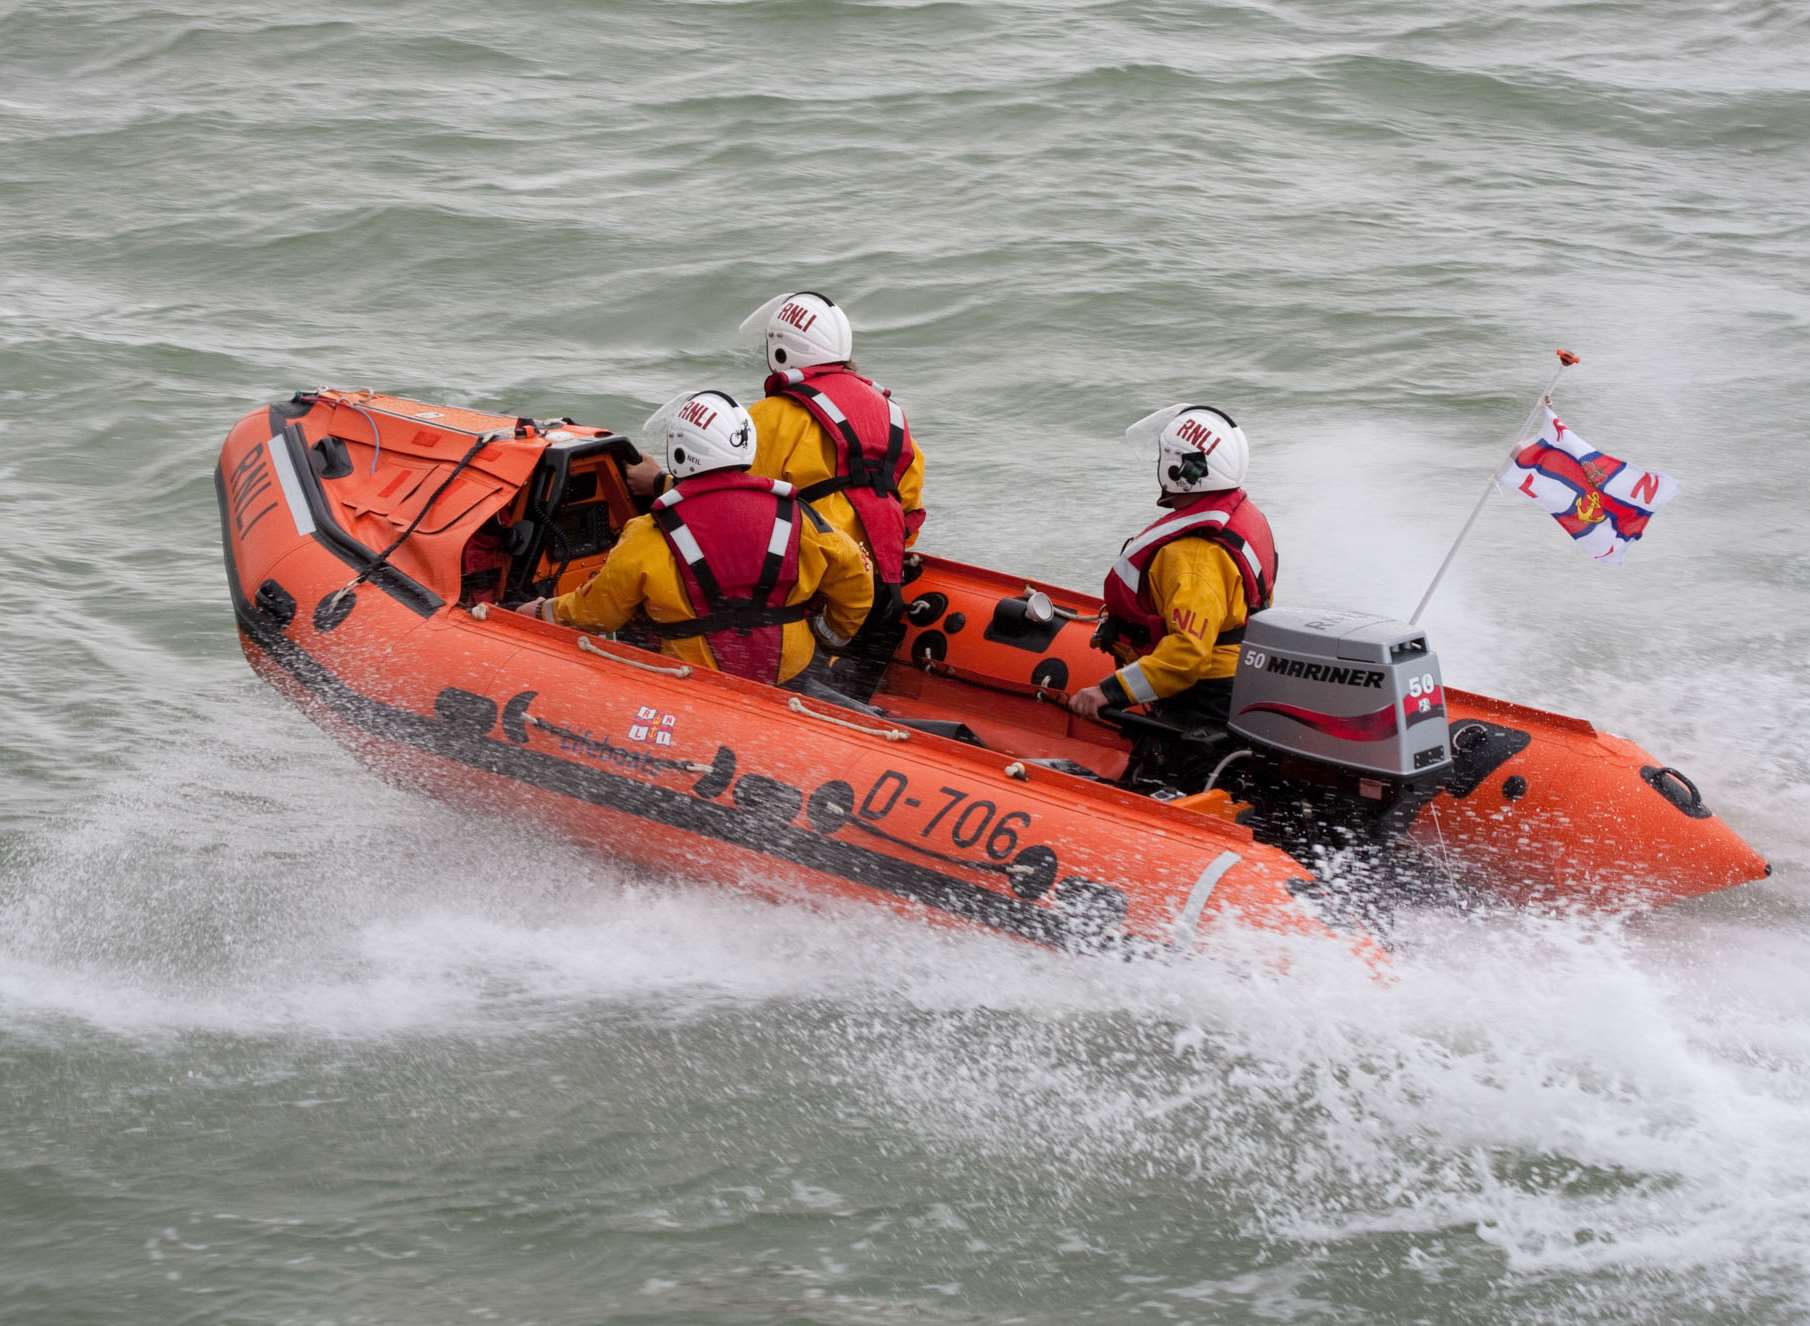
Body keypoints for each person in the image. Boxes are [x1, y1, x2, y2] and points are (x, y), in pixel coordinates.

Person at [627, 291, 926, 701]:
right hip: (883, 586)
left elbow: (726, 500)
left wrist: (657, 483)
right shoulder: (892, 413)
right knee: (853, 691)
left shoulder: (772, 417)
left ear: (782, 349)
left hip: (816, 584)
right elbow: (908, 506)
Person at [518, 390, 873, 689]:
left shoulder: (650, 533)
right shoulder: (800, 516)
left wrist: (543, 611)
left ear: (680, 453)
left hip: (695, 685)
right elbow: (856, 579)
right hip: (789, 675)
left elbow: (599, 613)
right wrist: (831, 635)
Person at [1068, 404, 1278, 794]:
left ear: (1181, 470)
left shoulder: (1192, 556)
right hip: (1238, 681)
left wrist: (1108, 691)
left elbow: (1187, 655)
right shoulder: (1238, 516)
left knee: (1150, 790)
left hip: (1204, 699)